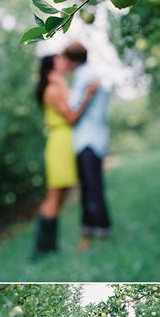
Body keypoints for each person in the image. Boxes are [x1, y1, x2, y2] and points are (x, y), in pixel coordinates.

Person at [32, 53, 98, 259]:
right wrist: (88, 96)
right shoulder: (52, 89)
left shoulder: (57, 85)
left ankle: (49, 247)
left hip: (65, 141)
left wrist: (62, 82)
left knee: (59, 197)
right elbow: (70, 116)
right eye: (60, 59)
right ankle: (41, 249)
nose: (65, 61)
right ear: (52, 66)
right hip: (59, 143)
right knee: (54, 197)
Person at [63, 42, 112, 250]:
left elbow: (73, 113)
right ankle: (99, 229)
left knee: (90, 188)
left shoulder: (84, 76)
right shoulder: (91, 73)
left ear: (72, 60)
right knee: (94, 186)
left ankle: (93, 232)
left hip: (87, 140)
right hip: (96, 137)